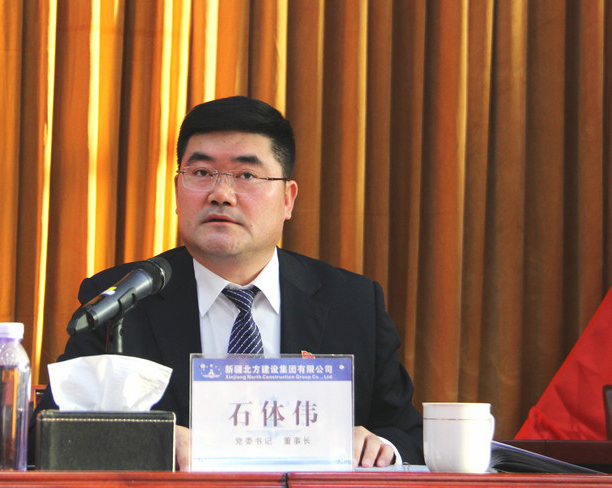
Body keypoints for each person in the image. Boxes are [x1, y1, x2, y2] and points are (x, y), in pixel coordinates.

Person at [31, 96, 423, 469]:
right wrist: (149, 441)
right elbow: (48, 433)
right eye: (201, 173)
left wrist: (379, 447)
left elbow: (406, 433)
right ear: (177, 190)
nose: (221, 194)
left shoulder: (352, 303)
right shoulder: (124, 298)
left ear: (288, 199)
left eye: (246, 175)